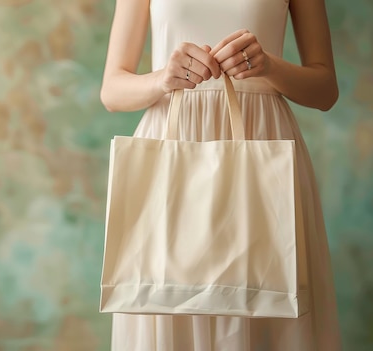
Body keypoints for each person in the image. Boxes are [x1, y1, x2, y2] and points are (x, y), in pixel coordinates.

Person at [99, 0, 341, 350]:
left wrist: (268, 65)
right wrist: (163, 78)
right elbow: (112, 90)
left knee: (269, 290)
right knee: (166, 293)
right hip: (173, 139)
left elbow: (325, 89)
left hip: (262, 144)